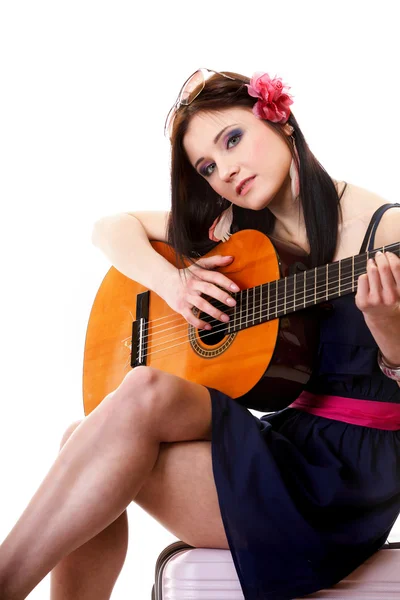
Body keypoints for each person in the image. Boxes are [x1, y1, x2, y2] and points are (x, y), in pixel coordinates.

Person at [0, 68, 400, 600]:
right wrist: (174, 283)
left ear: (278, 120)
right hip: (284, 442)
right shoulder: (237, 233)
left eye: (232, 139)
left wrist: (389, 331)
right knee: (97, 427)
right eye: (207, 166)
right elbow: (110, 228)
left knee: (98, 437)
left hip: (343, 482)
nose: (226, 170)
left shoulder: (384, 230)